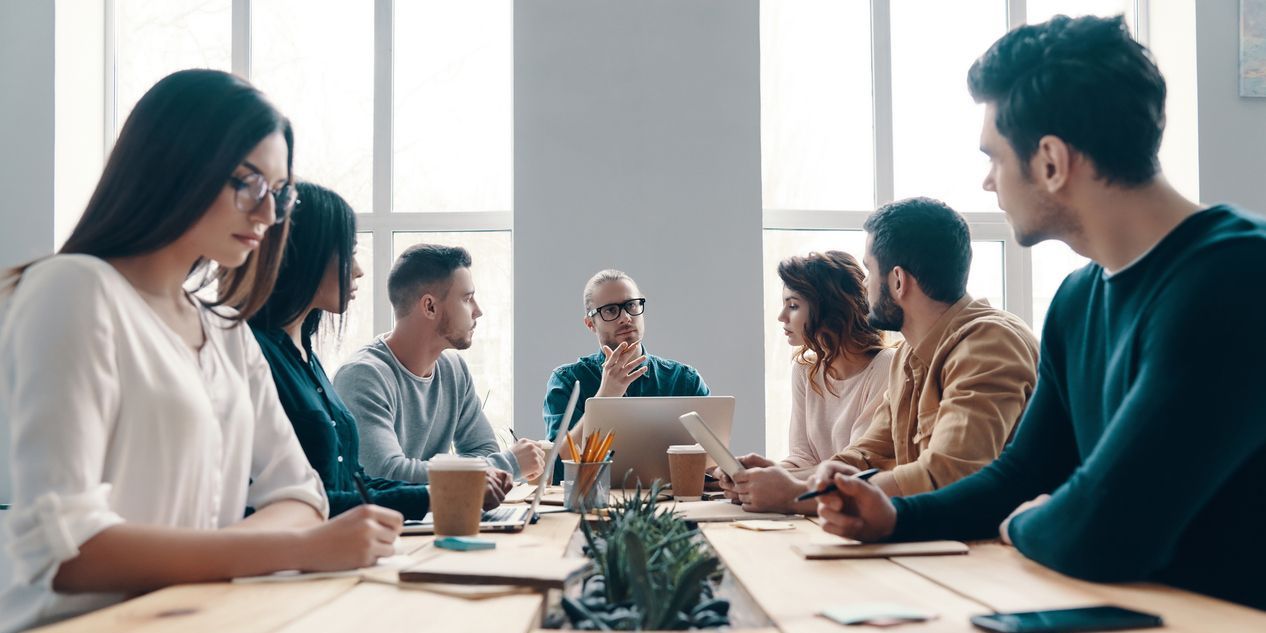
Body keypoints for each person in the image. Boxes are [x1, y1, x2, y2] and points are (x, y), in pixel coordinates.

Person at [813, 15, 1266, 611]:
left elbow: (1107, 531)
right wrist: (893, 516)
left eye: (995, 158)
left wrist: (1027, 522)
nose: (986, 182)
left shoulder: (1235, 278)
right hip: (1129, 610)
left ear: (1051, 161)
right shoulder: (1079, 299)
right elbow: (1020, 478)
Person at [0, 70, 401, 633]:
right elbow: (69, 552)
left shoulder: (228, 333)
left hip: (198, 617)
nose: (267, 214)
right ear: (176, 166)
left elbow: (301, 495)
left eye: (279, 192)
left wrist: (281, 542)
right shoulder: (74, 289)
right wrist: (297, 548)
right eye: (248, 183)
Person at [251, 182, 504, 518]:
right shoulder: (258, 354)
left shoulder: (305, 357)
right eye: (348, 252)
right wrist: (445, 492)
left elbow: (353, 484)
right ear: (304, 255)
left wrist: (446, 492)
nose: (358, 269)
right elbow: (313, 502)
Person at [823, 197, 1038, 499]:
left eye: (869, 270)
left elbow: (950, 475)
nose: (866, 286)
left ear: (898, 281)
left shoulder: (990, 344)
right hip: (942, 537)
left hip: (996, 542)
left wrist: (810, 494)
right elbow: (869, 454)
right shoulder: (906, 356)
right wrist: (795, 481)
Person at [334, 244, 542, 492]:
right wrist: (508, 463)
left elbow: (483, 450)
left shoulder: (453, 369)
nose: (478, 311)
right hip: (384, 527)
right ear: (430, 307)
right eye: (467, 299)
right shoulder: (363, 376)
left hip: (435, 520)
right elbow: (387, 474)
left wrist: (465, 475)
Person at [717, 251, 895, 513]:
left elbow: (859, 467)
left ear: (829, 308)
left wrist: (776, 482)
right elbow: (803, 457)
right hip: (815, 507)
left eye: (793, 305)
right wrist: (763, 475)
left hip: (854, 509)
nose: (781, 316)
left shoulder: (886, 366)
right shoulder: (805, 369)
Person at [542, 269, 709, 481]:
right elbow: (557, 470)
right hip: (592, 505)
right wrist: (605, 397)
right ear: (590, 323)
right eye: (610, 310)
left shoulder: (685, 380)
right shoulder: (567, 381)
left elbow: (711, 462)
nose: (625, 317)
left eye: (631, 305)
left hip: (676, 504)